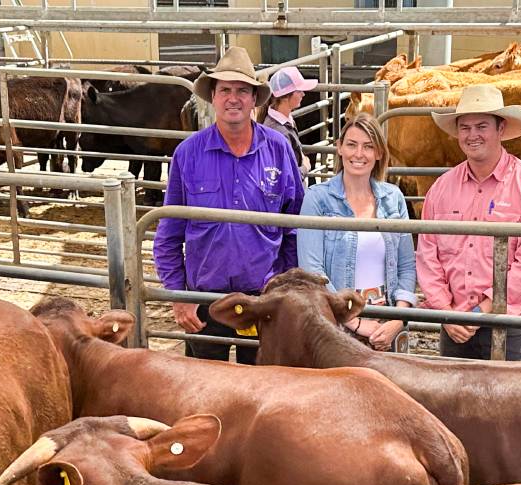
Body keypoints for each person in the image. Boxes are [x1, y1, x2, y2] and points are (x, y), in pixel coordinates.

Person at [153, 46, 304, 364]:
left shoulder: (277, 149)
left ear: (254, 99)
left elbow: (295, 226)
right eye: (225, 90)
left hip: (263, 298)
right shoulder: (188, 153)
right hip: (204, 297)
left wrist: (285, 289)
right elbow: (169, 231)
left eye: (242, 91)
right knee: (205, 392)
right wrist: (179, 296)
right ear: (213, 96)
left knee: (262, 390)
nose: (233, 98)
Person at [415, 84, 521, 361]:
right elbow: (427, 253)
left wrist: (485, 309)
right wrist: (446, 311)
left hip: (508, 323)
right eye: (465, 127)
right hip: (453, 324)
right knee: (453, 403)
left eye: (482, 126)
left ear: (500, 129)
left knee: (513, 402)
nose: (472, 135)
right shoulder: (441, 188)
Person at [297, 113, 415, 352]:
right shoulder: (317, 199)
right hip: (337, 322)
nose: (359, 154)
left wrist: (397, 318)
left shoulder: (394, 198)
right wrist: (354, 321)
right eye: (351, 144)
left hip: (387, 317)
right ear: (339, 148)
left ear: (379, 153)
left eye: (368, 147)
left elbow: (406, 265)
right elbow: (312, 272)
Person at [259, 67, 317, 177]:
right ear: (285, 97)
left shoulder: (284, 120)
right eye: (299, 91)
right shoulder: (279, 132)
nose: (303, 94)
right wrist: (305, 167)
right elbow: (285, 178)